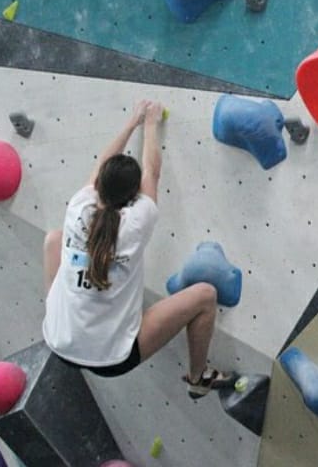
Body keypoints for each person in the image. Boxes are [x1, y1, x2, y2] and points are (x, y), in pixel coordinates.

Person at [42, 99, 235, 397]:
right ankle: (198, 378)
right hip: (113, 358)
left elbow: (102, 164)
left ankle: (65, 307)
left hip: (58, 341)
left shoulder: (78, 206)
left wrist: (131, 123)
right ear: (134, 197)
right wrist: (150, 125)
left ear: (98, 187)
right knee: (206, 296)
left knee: (55, 239)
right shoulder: (135, 222)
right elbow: (152, 172)